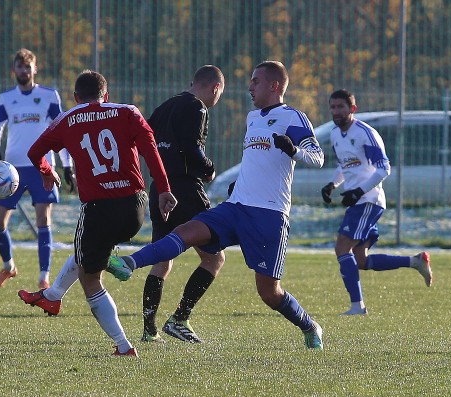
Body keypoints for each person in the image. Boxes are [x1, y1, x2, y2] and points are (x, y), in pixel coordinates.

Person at [108, 61, 325, 350]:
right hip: (236, 207)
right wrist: (242, 184)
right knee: (186, 231)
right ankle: (128, 263)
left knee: (269, 292)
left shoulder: (293, 117)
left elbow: (317, 157)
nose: (249, 86)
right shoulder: (252, 117)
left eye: (256, 81)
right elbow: (257, 161)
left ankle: (309, 326)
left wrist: (294, 150)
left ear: (274, 86)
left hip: (269, 215)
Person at [15, 66, 226, 346]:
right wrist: (165, 188)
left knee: (93, 271)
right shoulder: (128, 111)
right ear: (107, 95)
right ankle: (55, 295)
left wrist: (46, 172)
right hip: (135, 206)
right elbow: (150, 148)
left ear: (76, 97)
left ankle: (127, 334)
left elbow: (34, 152)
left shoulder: (68, 118)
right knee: (92, 248)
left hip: (99, 206)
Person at [320, 89, 434, 315]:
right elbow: (345, 165)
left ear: (353, 109)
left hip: (368, 200)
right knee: (360, 260)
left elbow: (384, 169)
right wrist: (332, 184)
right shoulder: (335, 134)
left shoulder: (365, 133)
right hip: (358, 201)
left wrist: (358, 191)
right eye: (333, 107)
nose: (336, 111)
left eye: (341, 107)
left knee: (342, 247)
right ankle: (416, 262)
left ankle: (357, 307)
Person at [141, 65, 225, 344]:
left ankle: (149, 330)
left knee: (162, 259)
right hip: (186, 190)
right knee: (214, 257)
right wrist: (209, 169)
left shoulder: (165, 106)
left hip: (160, 188)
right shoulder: (198, 107)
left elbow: (144, 140)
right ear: (215, 88)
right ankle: (179, 318)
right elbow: (192, 147)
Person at [0, 48, 75, 290]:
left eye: (28, 66)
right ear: (13, 70)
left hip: (42, 167)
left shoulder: (48, 96)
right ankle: (8, 267)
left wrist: (68, 165)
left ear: (35, 69)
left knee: (43, 220)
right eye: (20, 66)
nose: (24, 71)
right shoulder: (6, 98)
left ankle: (44, 277)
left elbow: (61, 131)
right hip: (12, 170)